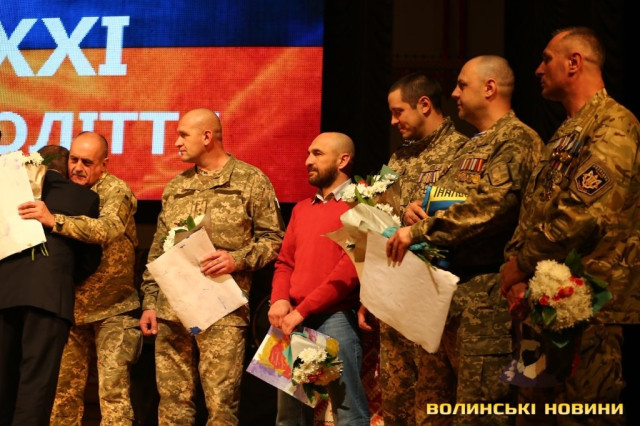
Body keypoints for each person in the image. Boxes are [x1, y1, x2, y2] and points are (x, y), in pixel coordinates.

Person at [386, 56, 543, 424]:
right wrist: (418, 210)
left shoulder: (516, 138)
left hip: (486, 300)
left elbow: (493, 207)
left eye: (462, 85)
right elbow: (451, 199)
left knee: (479, 413)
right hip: (446, 298)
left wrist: (420, 230)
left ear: (489, 88)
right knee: (432, 413)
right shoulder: (472, 145)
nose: (454, 93)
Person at [501, 27, 640, 425]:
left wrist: (521, 264)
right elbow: (536, 210)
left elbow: (583, 213)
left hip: (587, 307)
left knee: (582, 416)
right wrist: (517, 274)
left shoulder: (614, 124)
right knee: (532, 417)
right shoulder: (567, 131)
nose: (538, 69)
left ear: (574, 62)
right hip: (540, 303)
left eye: (547, 59)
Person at [139, 108, 284, 424]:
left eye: (183, 135)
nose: (176, 143)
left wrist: (236, 259)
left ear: (207, 137)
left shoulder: (250, 180)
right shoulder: (176, 187)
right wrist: (150, 302)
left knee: (220, 407)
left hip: (222, 309)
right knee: (172, 405)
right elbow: (158, 250)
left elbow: (274, 239)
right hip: (172, 310)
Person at [356, 73, 469, 425]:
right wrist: (370, 290)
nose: (393, 121)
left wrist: (422, 216)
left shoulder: (465, 152)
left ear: (424, 105)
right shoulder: (399, 159)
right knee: (395, 402)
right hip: (395, 301)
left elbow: (470, 217)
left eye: (398, 111)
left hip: (434, 303)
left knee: (434, 407)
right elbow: (378, 220)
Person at [19, 132, 142, 425]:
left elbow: (108, 229)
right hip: (73, 311)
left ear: (104, 164)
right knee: (62, 397)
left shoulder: (116, 191)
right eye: (73, 159)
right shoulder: (58, 189)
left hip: (114, 309)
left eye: (87, 162)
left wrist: (55, 220)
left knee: (113, 396)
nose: (77, 168)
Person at [268, 132, 369, 425]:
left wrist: (302, 310)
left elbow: (349, 271)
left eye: (317, 154)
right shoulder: (302, 208)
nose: (308, 161)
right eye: (308, 153)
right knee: (288, 416)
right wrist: (279, 299)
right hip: (292, 318)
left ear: (343, 160)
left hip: (334, 317)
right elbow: (285, 262)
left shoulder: (362, 205)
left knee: (348, 411)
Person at [1, 146, 101, 426]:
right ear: (66, 169)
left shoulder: (7, 190)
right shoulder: (83, 197)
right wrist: (63, 278)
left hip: (4, 295)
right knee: (36, 383)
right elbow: (90, 258)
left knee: (3, 380)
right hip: (49, 299)